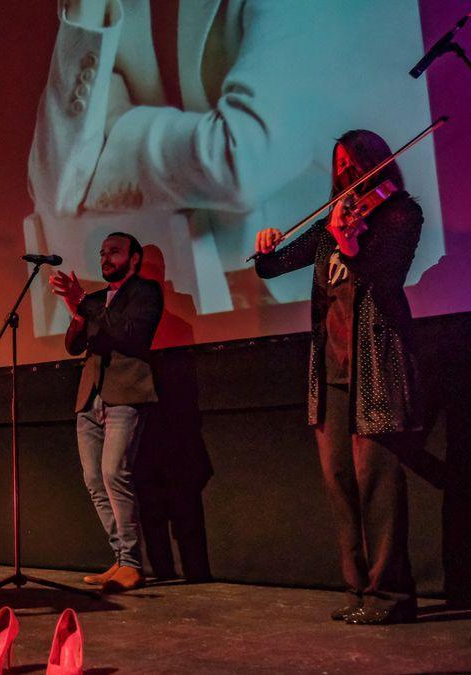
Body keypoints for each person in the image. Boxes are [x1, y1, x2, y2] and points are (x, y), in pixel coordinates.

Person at [24, 0, 441, 335]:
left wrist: (112, 135)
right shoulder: (116, 6)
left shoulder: (399, 215)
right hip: (245, 305)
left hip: (322, 320)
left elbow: (240, 158)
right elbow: (56, 183)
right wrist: (86, 11)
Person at [255, 130, 423, 625]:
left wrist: (351, 243)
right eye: (340, 166)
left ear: (378, 163)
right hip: (329, 371)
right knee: (340, 483)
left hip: (377, 366)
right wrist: (266, 248)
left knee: (379, 486)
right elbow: (274, 266)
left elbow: (387, 279)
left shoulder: (400, 213)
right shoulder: (330, 223)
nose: (348, 173)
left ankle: (390, 596)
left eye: (356, 163)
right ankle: (358, 591)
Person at [50, 232, 162, 591]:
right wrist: (77, 314)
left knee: (115, 473)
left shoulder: (146, 293)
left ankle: (132, 563)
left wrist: (84, 302)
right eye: (102, 253)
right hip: (90, 399)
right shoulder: (96, 300)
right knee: (96, 482)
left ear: (134, 258)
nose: (106, 258)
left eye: (114, 251)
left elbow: (129, 333)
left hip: (126, 394)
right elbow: (73, 345)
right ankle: (120, 560)